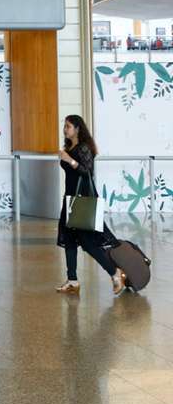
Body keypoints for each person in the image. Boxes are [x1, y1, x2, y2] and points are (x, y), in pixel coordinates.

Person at [56, 115, 125, 296]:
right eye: (65, 126)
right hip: (70, 199)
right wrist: (66, 156)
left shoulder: (84, 148)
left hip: (83, 201)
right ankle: (72, 281)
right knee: (69, 240)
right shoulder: (69, 147)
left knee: (88, 243)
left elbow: (87, 171)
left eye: (68, 126)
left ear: (78, 128)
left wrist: (68, 159)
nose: (65, 129)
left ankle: (115, 272)